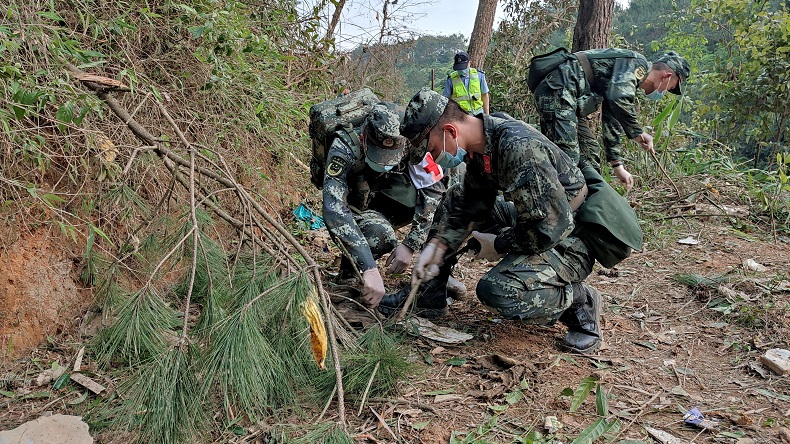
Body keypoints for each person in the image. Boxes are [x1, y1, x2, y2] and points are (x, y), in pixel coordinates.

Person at [382, 88, 604, 353]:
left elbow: (549, 228)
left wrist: (498, 243)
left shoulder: (518, 147)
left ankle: (581, 302)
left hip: (571, 233)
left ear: (450, 132)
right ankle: (429, 294)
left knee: (497, 290)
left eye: (431, 148)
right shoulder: (482, 143)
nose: (432, 157)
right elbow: (472, 203)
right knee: (454, 198)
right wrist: (438, 246)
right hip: (536, 216)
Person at [322, 103, 447, 308]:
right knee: (378, 234)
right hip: (355, 203)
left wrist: (410, 245)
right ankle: (350, 271)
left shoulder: (411, 139)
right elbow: (334, 209)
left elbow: (433, 190)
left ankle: (435, 280)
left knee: (449, 200)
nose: (386, 162)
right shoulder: (343, 148)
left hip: (386, 197)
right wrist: (369, 267)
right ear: (364, 139)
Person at [533, 49, 690, 189]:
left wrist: (617, 165)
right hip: (558, 92)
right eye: (670, 88)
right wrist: (638, 133)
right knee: (568, 160)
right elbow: (618, 98)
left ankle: (590, 204)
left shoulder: (628, 80)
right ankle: (553, 211)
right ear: (667, 76)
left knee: (589, 152)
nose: (665, 92)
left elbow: (612, 114)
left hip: (569, 100)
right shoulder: (637, 63)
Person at [443, 51, 490, 116]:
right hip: (460, 117)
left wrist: (487, 115)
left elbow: (485, 95)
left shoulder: (479, 75)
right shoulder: (451, 79)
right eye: (459, 68)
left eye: (463, 67)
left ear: (469, 63)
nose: (461, 70)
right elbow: (446, 100)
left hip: (478, 114)